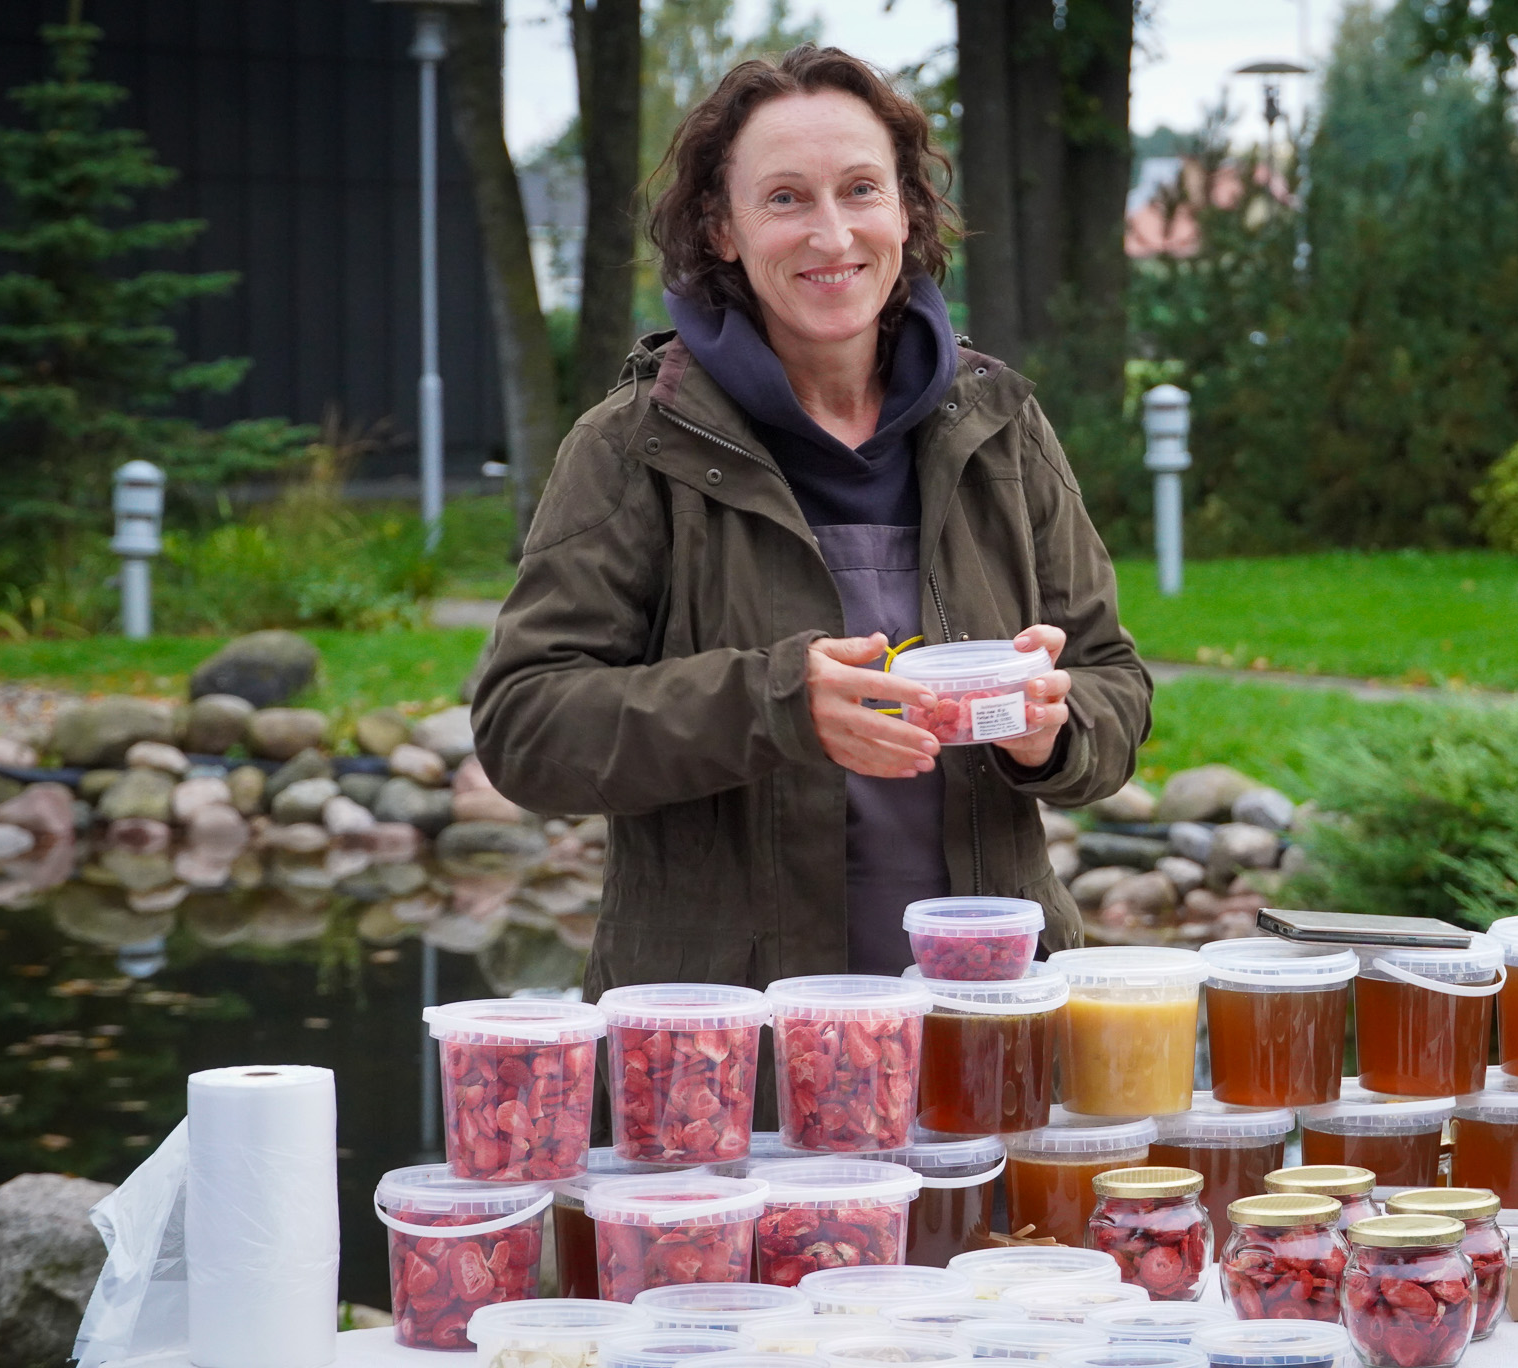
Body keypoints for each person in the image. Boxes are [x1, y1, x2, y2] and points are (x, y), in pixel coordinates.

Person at [471, 46, 1151, 993]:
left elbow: (1113, 682)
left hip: (988, 1012)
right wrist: (769, 704)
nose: (832, 235)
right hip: (726, 1044)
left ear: (906, 212)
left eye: (861, 189)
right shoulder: (636, 445)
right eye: (785, 198)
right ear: (720, 228)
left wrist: (1051, 725)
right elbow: (525, 726)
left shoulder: (1001, 427)